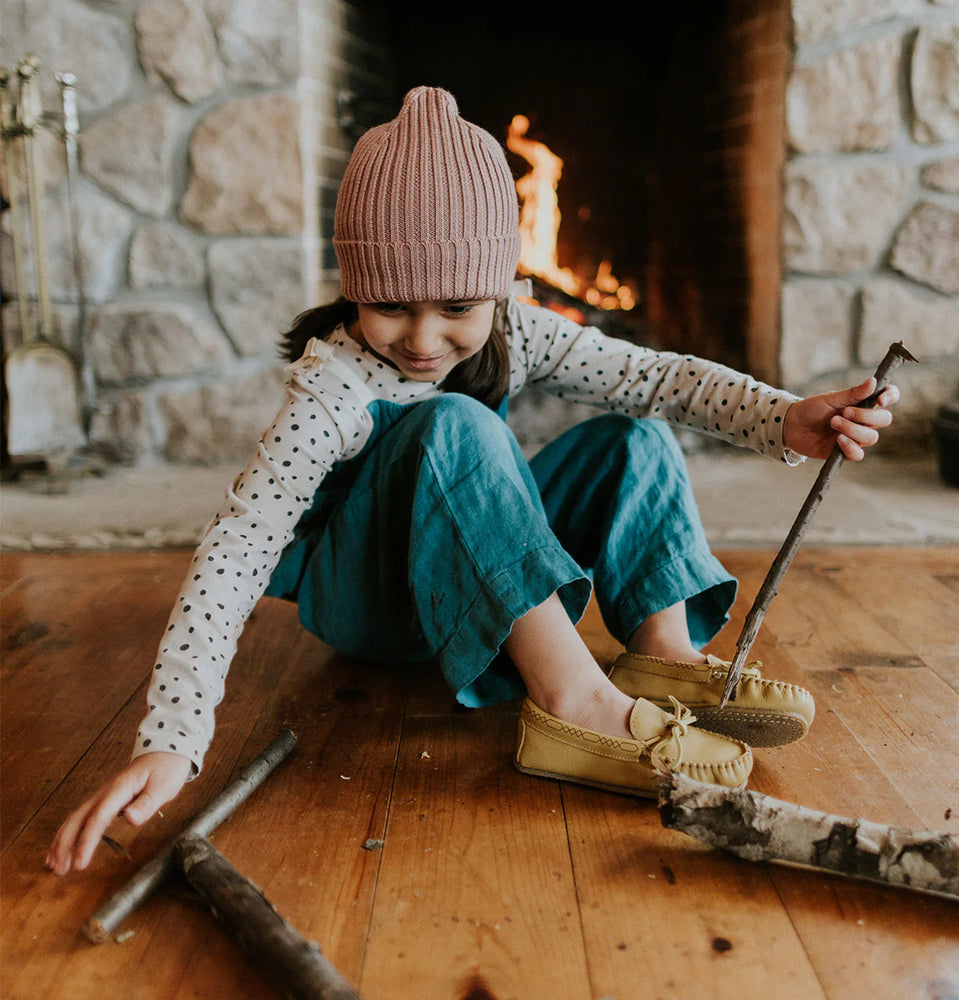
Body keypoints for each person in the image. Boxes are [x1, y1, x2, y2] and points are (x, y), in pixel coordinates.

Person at [47, 87, 899, 875]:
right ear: (353, 290)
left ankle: (662, 656)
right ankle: (571, 701)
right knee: (457, 423)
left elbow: (658, 379)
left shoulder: (518, 331)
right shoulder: (331, 388)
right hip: (377, 606)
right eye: (391, 306)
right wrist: (173, 736)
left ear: (501, 288)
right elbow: (237, 548)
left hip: (468, 563)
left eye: (457, 308)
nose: (423, 340)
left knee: (632, 437)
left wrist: (783, 418)